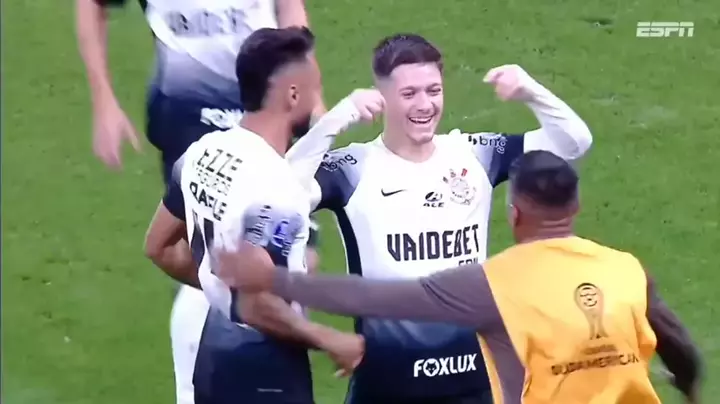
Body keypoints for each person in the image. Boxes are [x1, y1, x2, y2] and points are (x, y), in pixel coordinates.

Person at [218, 150, 703, 404]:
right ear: (576, 207)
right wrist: (689, 388)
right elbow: (680, 347)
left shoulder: (493, 285)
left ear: (514, 214)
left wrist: (274, 279)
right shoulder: (626, 269)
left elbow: (374, 297)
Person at [281, 33, 592, 404]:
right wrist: (337, 118)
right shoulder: (353, 168)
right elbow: (280, 191)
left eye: (434, 91)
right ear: (381, 97)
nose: (425, 104)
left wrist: (530, 91)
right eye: (409, 93)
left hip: (474, 381)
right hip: (387, 385)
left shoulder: (474, 155)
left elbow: (573, 143)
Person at [76, 1, 324, 403]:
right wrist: (103, 99)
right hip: (191, 113)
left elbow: (289, 7)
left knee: (297, 261)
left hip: (271, 101)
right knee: (218, 260)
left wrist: (312, 93)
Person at [145, 27, 387, 404]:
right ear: (293, 95)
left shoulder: (202, 152)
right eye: (314, 88)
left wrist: (220, 290)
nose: (317, 98)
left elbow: (158, 247)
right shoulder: (275, 190)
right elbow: (258, 303)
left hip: (214, 351)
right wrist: (330, 339)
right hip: (265, 368)